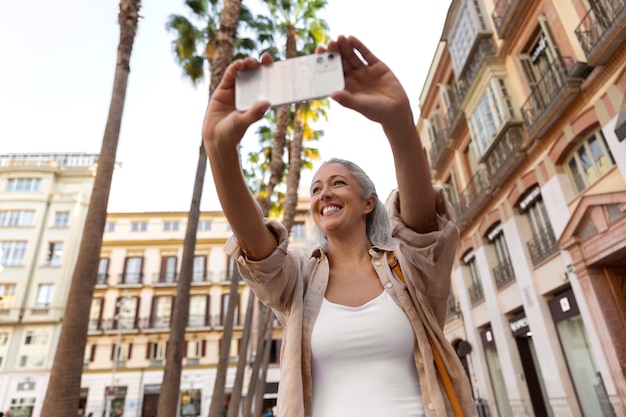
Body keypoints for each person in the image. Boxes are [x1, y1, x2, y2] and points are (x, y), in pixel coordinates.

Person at [202, 35, 477, 417]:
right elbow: (254, 244)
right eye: (315, 189)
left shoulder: (408, 269)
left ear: (368, 202)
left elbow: (424, 226)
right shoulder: (297, 279)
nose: (323, 194)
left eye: (337, 183)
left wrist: (398, 121)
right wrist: (220, 151)